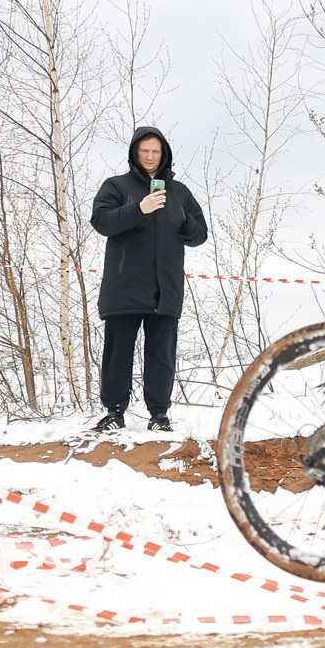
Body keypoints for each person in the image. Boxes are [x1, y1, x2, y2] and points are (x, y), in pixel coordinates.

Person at [89, 126, 208, 433]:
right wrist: (138, 209)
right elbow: (101, 222)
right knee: (118, 354)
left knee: (161, 356)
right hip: (124, 288)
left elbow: (200, 234)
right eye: (145, 151)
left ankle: (159, 414)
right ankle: (114, 412)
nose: (150, 157)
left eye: (156, 151)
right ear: (135, 153)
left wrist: (184, 222)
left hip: (164, 290)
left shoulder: (178, 191)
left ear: (163, 153)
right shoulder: (116, 186)